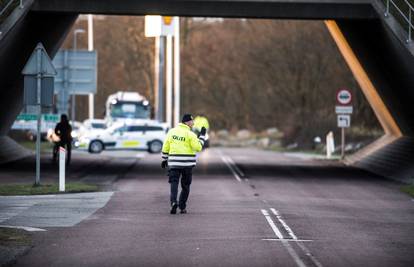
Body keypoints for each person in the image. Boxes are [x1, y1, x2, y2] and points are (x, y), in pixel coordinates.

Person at [161, 114, 206, 214]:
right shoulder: (190, 134)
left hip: (174, 163)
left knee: (174, 183)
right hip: (187, 165)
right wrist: (202, 136)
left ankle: (173, 202)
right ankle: (182, 207)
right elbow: (198, 147)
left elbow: (166, 146)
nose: (193, 123)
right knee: (185, 186)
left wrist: (164, 159)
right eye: (191, 121)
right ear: (186, 122)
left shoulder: (171, 132)